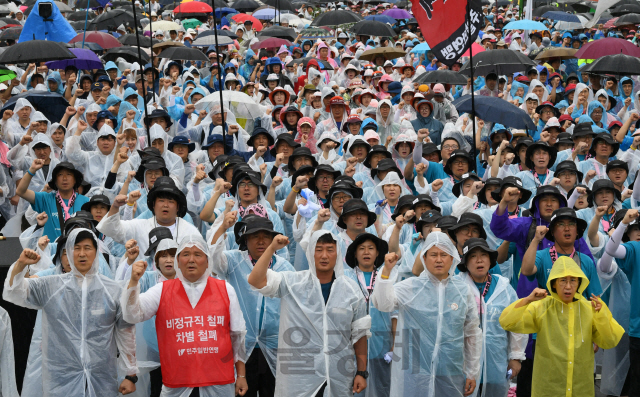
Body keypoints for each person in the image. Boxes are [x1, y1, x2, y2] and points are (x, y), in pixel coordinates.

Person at [3, 228, 138, 396]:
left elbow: (125, 331)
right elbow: (14, 291)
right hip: (60, 377)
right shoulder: (51, 286)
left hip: (101, 377)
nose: (82, 253)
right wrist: (20, 265)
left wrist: (130, 375)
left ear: (96, 252)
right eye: (76, 248)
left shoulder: (112, 290)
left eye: (87, 248)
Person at [122, 234, 248, 396]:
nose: (191, 260)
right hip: (177, 382)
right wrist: (133, 283)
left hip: (218, 381)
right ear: (178, 262)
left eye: (198, 254)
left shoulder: (225, 289)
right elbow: (132, 315)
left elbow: (237, 335)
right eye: (185, 254)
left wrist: (242, 375)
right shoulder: (162, 290)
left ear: (207, 261)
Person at [247, 230, 370, 397]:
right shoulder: (293, 283)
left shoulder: (351, 290)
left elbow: (360, 334)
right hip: (300, 377)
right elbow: (255, 280)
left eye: (330, 249)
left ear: (338, 253)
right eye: (318, 249)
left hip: (337, 374)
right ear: (311, 253)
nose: (324, 255)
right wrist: (271, 249)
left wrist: (361, 372)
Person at [371, 232, 482, 397]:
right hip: (414, 371)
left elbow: (472, 332)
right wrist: (386, 271)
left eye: (444, 254)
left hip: (450, 371)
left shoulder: (462, 291)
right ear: (424, 257)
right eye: (433, 254)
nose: (439, 259)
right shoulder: (410, 287)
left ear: (452, 258)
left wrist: (472, 372)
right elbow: (382, 303)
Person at [499, 257, 624, 396]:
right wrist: (528, 300)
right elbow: (507, 322)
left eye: (573, 280)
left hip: (580, 388)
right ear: (553, 283)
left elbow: (609, 341)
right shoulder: (542, 307)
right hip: (549, 388)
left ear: (579, 283)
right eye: (563, 280)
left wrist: (602, 315)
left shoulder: (591, 308)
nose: (568, 286)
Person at [209, 214, 295, 397]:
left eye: (266, 236)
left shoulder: (285, 267)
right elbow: (213, 258)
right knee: (242, 392)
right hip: (242, 347)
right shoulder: (233, 261)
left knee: (272, 391)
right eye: (255, 236)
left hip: (275, 346)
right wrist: (223, 227)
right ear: (245, 240)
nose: (261, 241)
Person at [455, 238, 526, 397]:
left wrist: (515, 357)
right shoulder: (456, 287)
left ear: (490, 260)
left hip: (498, 363)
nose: (479, 260)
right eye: (473, 256)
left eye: (483, 255)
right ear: (466, 263)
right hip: (463, 365)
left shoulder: (504, 288)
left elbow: (517, 323)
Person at [344, 232, 394, 397]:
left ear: (378, 252)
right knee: (353, 388)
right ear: (355, 253)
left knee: (382, 388)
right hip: (353, 348)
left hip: (382, 345)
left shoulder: (387, 276)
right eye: (362, 248)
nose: (366, 252)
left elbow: (396, 313)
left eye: (371, 248)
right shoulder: (345, 278)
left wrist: (394, 344)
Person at [16, 159, 89, 240]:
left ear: (75, 180)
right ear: (55, 181)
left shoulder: (86, 201)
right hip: (50, 250)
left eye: (69, 174)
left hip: (76, 250)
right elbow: (20, 191)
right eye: (60, 175)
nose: (64, 178)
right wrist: (32, 170)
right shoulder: (45, 198)